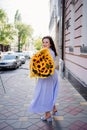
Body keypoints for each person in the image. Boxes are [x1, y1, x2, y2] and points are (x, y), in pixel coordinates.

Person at [29, 36, 59, 123]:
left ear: (50, 44)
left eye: (47, 42)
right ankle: (54, 108)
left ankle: (48, 115)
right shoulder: (52, 52)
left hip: (47, 77)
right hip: (51, 76)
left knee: (44, 95)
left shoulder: (46, 52)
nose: (44, 44)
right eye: (43, 42)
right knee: (50, 93)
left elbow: (45, 66)